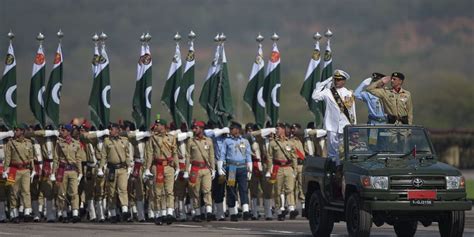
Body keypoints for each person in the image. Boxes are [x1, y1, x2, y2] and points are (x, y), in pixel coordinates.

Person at [312, 69, 357, 166]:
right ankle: (333, 168)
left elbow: (352, 111)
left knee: (343, 149)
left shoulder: (349, 93)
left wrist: (354, 126)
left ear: (344, 81)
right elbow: (314, 96)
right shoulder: (328, 92)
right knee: (332, 150)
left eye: (339, 80)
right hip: (331, 125)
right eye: (335, 79)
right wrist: (325, 82)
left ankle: (342, 167)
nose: (337, 82)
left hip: (345, 125)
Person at [144, 118, 179, 225]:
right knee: (158, 192)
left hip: (168, 167)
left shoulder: (171, 138)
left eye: (158, 125)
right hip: (157, 167)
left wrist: (177, 167)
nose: (156, 127)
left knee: (169, 191)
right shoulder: (153, 138)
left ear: (163, 126)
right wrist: (147, 168)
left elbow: (175, 153)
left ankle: (169, 213)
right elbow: (149, 154)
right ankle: (158, 214)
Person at [99, 123, 132, 223]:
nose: (110, 131)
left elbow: (127, 155)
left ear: (117, 130)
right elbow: (103, 156)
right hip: (111, 169)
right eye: (109, 129)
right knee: (111, 191)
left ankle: (125, 210)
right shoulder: (106, 141)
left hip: (122, 169)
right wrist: (101, 168)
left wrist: (129, 166)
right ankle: (113, 213)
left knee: (123, 189)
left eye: (112, 129)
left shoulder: (124, 140)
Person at [219, 121, 252, 221]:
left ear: (237, 129)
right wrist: (221, 168)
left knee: (243, 189)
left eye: (232, 128)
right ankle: (233, 212)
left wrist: (250, 169)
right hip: (232, 168)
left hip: (242, 168)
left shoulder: (245, 141)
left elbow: (248, 155)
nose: (230, 130)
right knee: (231, 189)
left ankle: (245, 210)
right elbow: (222, 155)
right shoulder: (227, 141)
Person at [184, 121, 215, 222]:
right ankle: (197, 213)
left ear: (201, 129)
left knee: (207, 190)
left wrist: (213, 169)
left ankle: (209, 211)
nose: (194, 130)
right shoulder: (191, 141)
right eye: (193, 128)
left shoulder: (209, 140)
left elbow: (211, 156)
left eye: (196, 128)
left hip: (206, 169)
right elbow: (188, 156)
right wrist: (186, 170)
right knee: (195, 192)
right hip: (195, 169)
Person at [3, 124, 35, 222]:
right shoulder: (10, 143)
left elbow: (31, 158)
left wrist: (33, 169)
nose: (15, 132)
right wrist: (5, 170)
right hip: (13, 169)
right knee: (13, 192)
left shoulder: (29, 143)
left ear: (22, 131)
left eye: (17, 130)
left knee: (26, 191)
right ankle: (14, 213)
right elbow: (7, 158)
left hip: (25, 170)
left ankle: (27, 212)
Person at [266, 123, 297, 221]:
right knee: (278, 190)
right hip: (277, 168)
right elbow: (269, 157)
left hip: (288, 167)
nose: (276, 131)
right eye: (276, 129)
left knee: (290, 189)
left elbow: (294, 157)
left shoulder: (290, 143)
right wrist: (269, 169)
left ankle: (292, 208)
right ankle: (279, 210)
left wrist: (294, 170)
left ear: (283, 130)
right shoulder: (273, 143)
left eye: (278, 129)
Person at [52, 124, 83, 223]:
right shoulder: (59, 143)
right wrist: (53, 172)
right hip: (62, 170)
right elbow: (56, 159)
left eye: (64, 130)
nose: (62, 132)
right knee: (62, 193)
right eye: (62, 130)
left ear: (69, 132)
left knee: (74, 193)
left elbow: (78, 159)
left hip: (73, 170)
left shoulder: (76, 143)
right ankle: (64, 214)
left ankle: (75, 213)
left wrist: (80, 172)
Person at [0, 126, 14, 222]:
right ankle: (2, 214)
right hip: (0, 168)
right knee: (1, 192)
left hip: (11, 169)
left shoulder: (11, 142)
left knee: (12, 190)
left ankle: (13, 213)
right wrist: (8, 133)